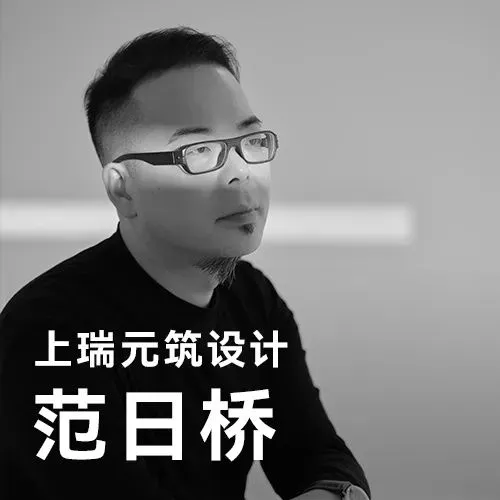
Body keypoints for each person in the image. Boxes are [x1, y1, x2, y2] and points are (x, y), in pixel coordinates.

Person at [0, 26, 371, 500]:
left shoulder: (252, 299)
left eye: (250, 140)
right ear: (123, 189)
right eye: (198, 152)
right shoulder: (48, 332)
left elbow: (318, 455)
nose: (241, 172)